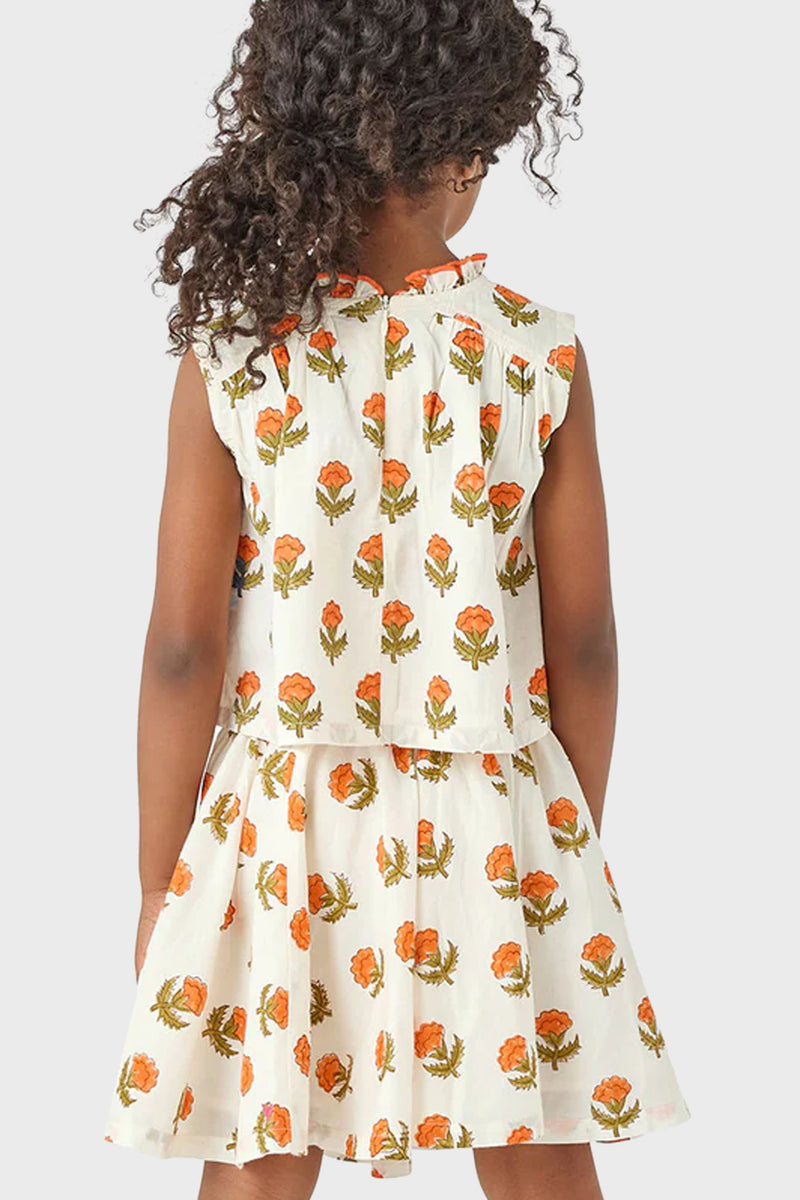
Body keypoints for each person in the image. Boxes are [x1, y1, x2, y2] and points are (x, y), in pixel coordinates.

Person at [104, 2, 690, 1196]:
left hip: (285, 818)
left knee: (264, 1135)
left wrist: (161, 883)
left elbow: (180, 649)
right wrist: (561, 834)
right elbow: (583, 640)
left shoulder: (237, 352)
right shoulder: (535, 352)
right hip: (494, 800)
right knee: (533, 1137)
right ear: (469, 145)